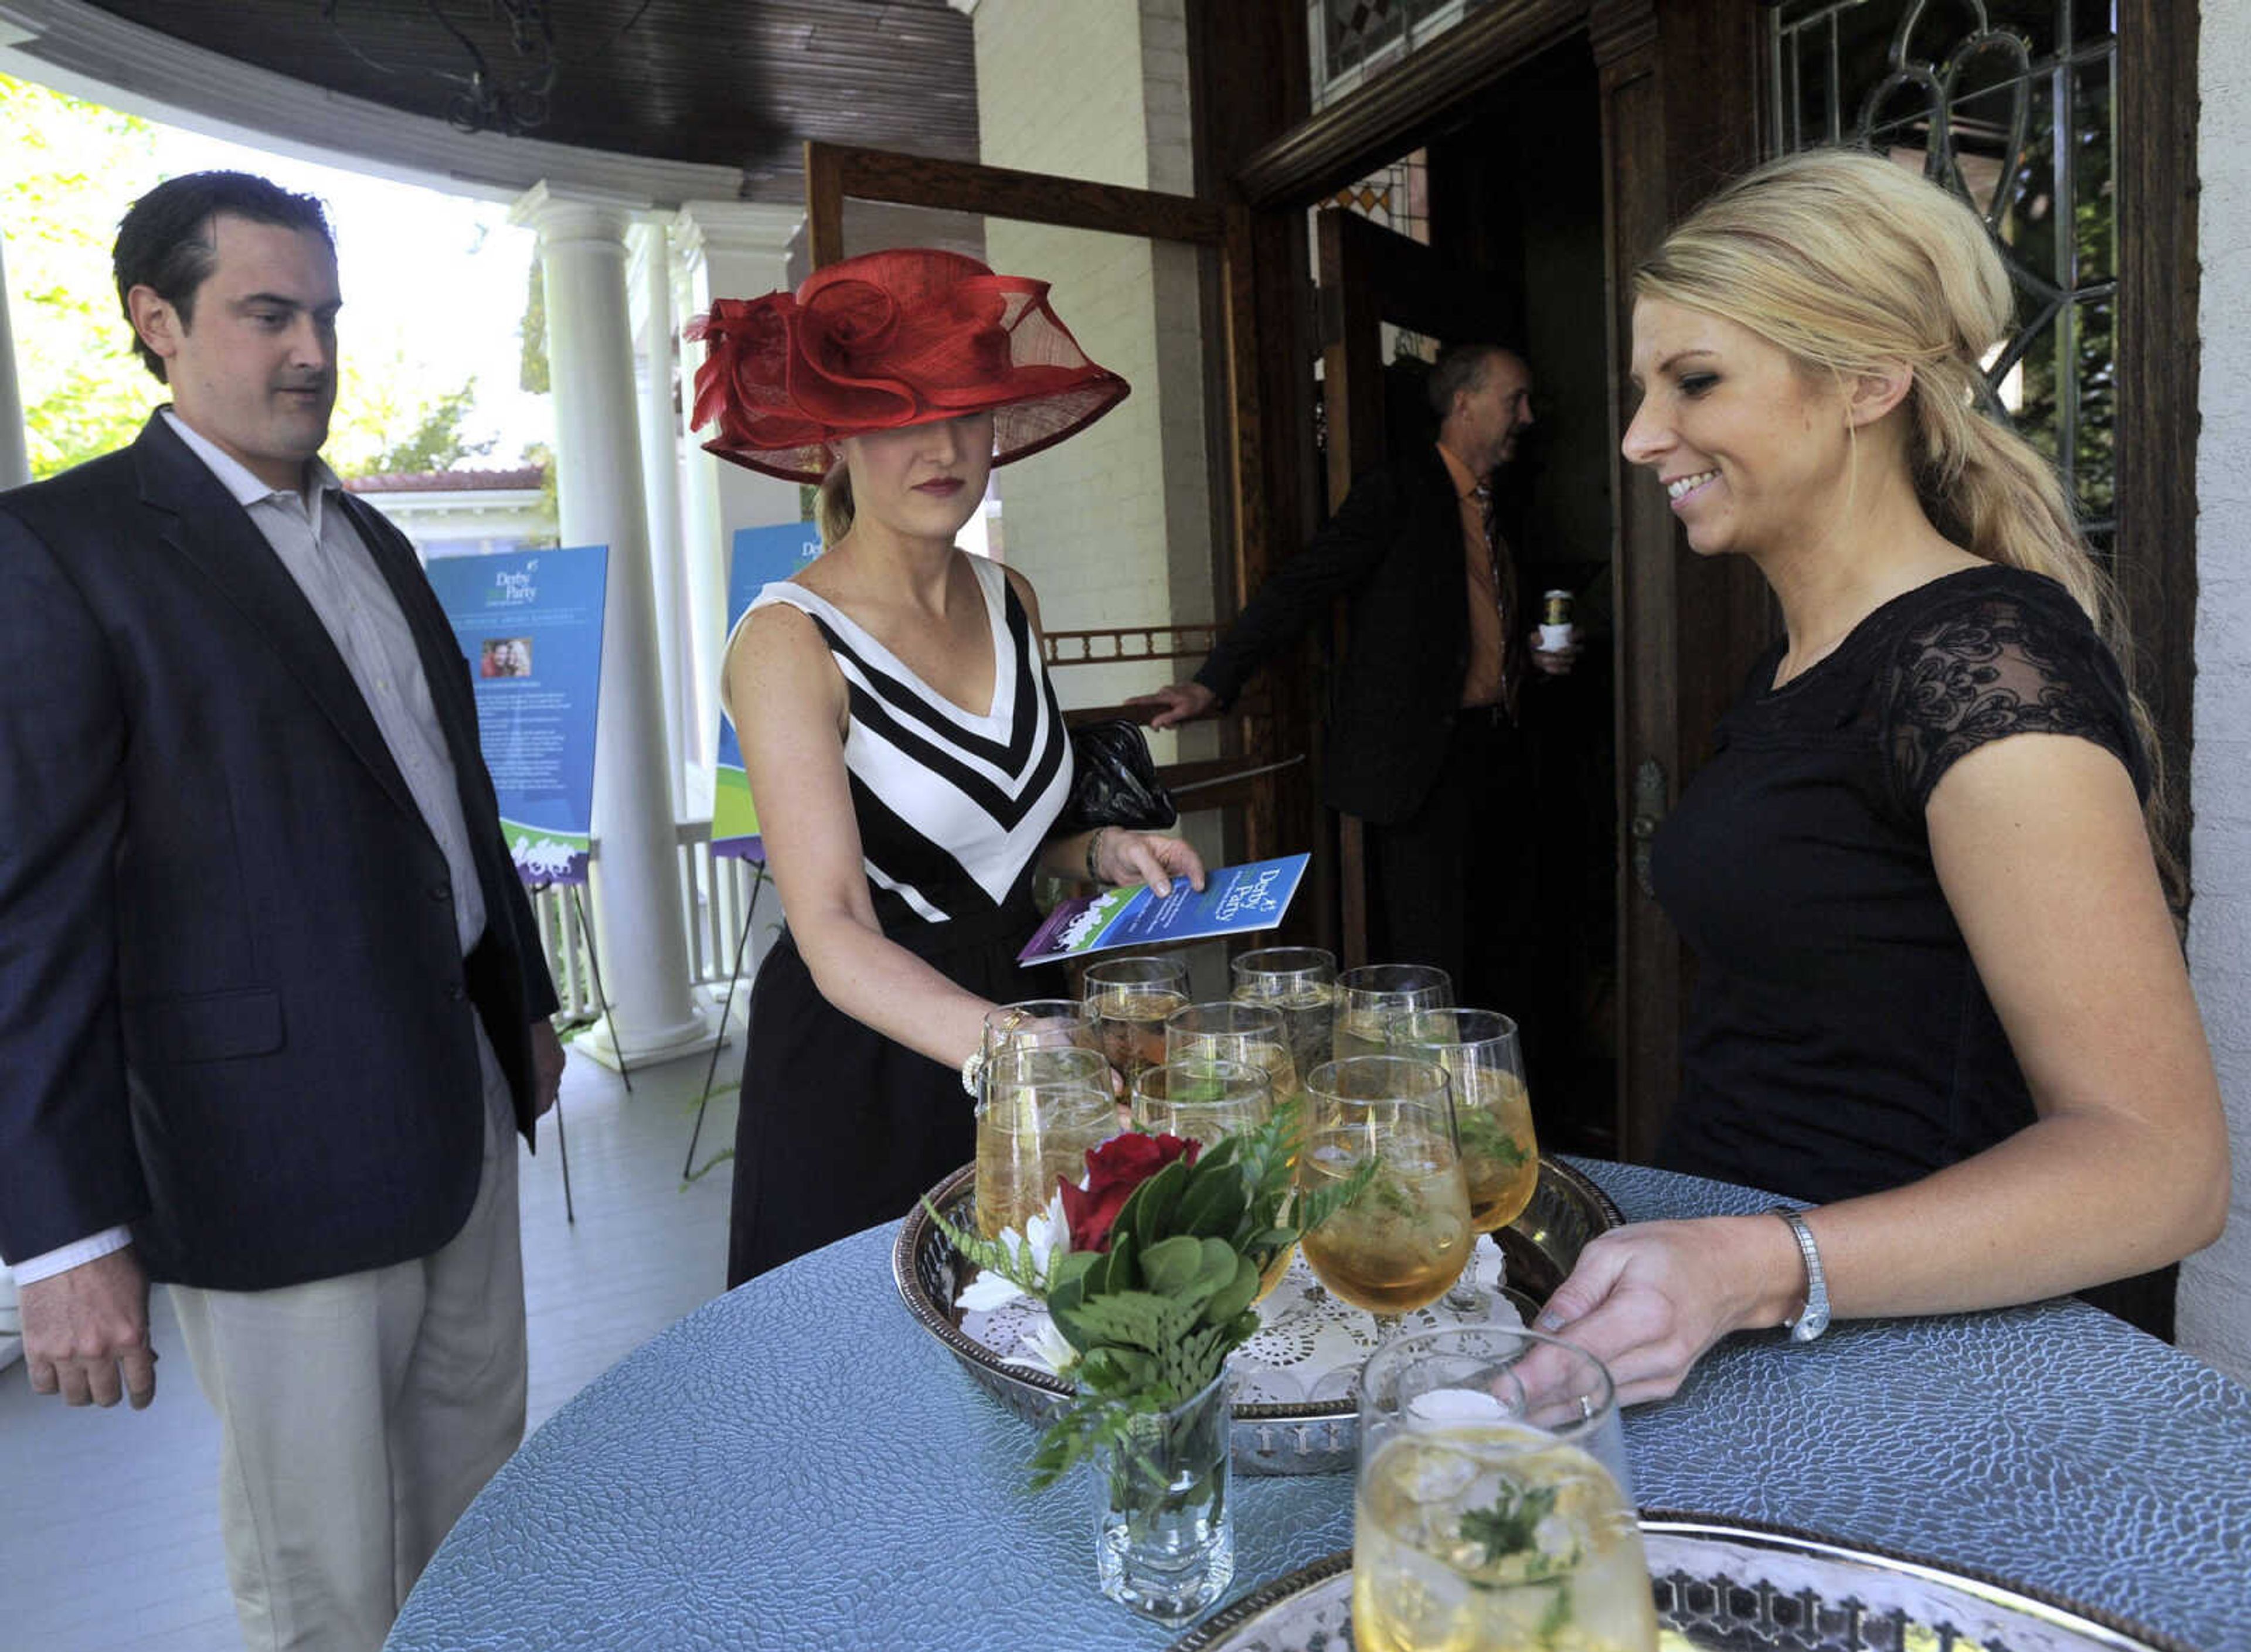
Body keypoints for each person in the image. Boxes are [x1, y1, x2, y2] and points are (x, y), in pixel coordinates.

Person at [1537, 148, 2229, 1402]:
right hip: (1738, 1327)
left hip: (1907, 1362)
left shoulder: (1978, 659)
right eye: (1644, 388)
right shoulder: (1803, 663)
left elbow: (2158, 1169)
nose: (1642, 437)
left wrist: (1757, 1266)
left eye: (1695, 381)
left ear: (1868, 380)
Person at [0, 172, 565, 1652]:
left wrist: (521, 1003)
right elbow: (30, 913)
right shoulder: (61, 550)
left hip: (455, 1110)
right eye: (269, 313)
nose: (311, 348)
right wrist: (60, 1233)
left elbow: (446, 803)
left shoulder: (366, 538)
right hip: (266, 1160)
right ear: (157, 322)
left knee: (481, 1516)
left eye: (323, 314)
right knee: (325, 1576)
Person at [693, 248, 1206, 1287]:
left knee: (1048, 1337)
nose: (943, 446)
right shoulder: (789, 641)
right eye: (899, 417)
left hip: (1024, 1000)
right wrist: (1014, 1050)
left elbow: (986, 833)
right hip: (871, 1056)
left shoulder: (1010, 596)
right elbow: (832, 924)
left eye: (968, 410)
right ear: (836, 437)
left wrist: (1101, 847)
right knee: (877, 1384)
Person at [1130, 344, 1577, 1021]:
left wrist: (1532, 660)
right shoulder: (1399, 489)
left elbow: (1477, 622)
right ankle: (1437, 1101)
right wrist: (1212, 684)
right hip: (1424, 765)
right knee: (1436, 958)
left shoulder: (1500, 505)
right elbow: (1302, 586)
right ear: (1464, 403)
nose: (1527, 416)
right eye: (1514, 400)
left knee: (1510, 939)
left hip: (1501, 750)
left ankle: (1507, 1092)